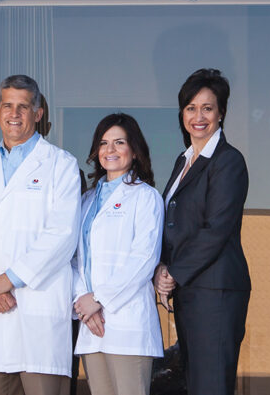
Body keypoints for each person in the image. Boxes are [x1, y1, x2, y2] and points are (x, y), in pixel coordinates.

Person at [0, 74, 81, 395]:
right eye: (7, 106)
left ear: (38, 114)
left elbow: (62, 235)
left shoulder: (61, 165)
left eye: (23, 107)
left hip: (39, 309)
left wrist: (8, 279)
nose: (14, 114)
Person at [153, 69, 251, 395]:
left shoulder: (228, 161)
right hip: (191, 291)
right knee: (195, 383)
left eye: (207, 108)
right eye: (191, 108)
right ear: (182, 113)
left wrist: (173, 273)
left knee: (210, 386)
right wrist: (162, 267)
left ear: (221, 113)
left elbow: (215, 229)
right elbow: (173, 224)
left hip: (215, 293)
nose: (198, 116)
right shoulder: (183, 161)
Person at [73, 113, 164, 395]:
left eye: (119, 142)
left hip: (127, 321)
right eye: (103, 143)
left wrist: (99, 299)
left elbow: (144, 259)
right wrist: (82, 300)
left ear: (134, 150)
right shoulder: (86, 200)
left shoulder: (146, 197)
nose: (109, 150)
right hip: (92, 323)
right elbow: (76, 258)